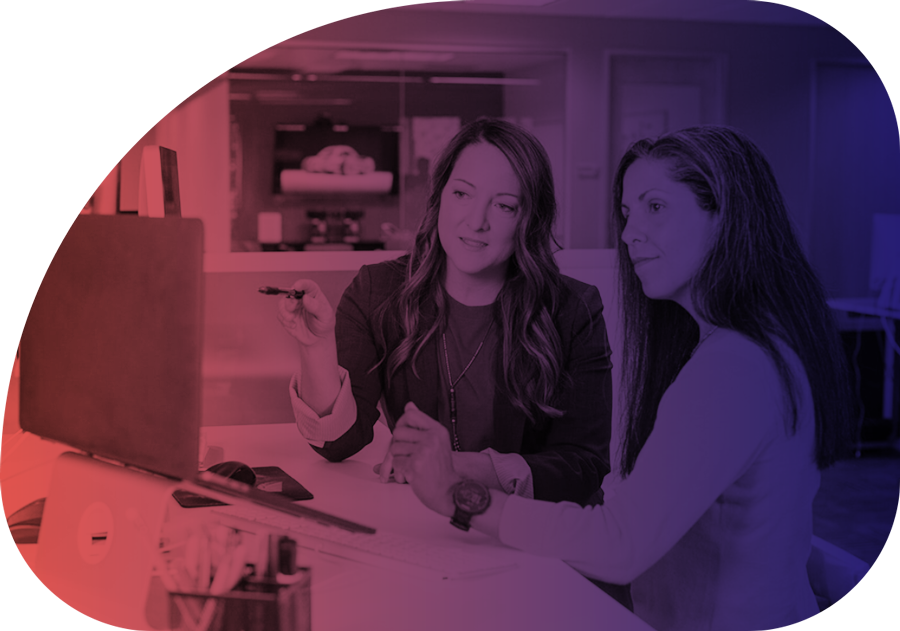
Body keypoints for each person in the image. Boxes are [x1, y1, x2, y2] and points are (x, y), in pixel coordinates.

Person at [386, 126, 855, 631]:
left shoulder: (734, 367)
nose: (630, 233)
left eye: (656, 207)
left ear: (726, 215)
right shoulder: (756, 345)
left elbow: (621, 544)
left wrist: (457, 496)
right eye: (628, 213)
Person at [278, 118, 613, 505]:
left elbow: (583, 467)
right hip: (423, 525)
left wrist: (456, 465)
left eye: (504, 205)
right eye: (462, 194)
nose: (476, 222)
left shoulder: (572, 310)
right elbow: (337, 443)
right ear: (439, 197)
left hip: (530, 534)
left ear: (529, 219)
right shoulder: (378, 291)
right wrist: (317, 346)